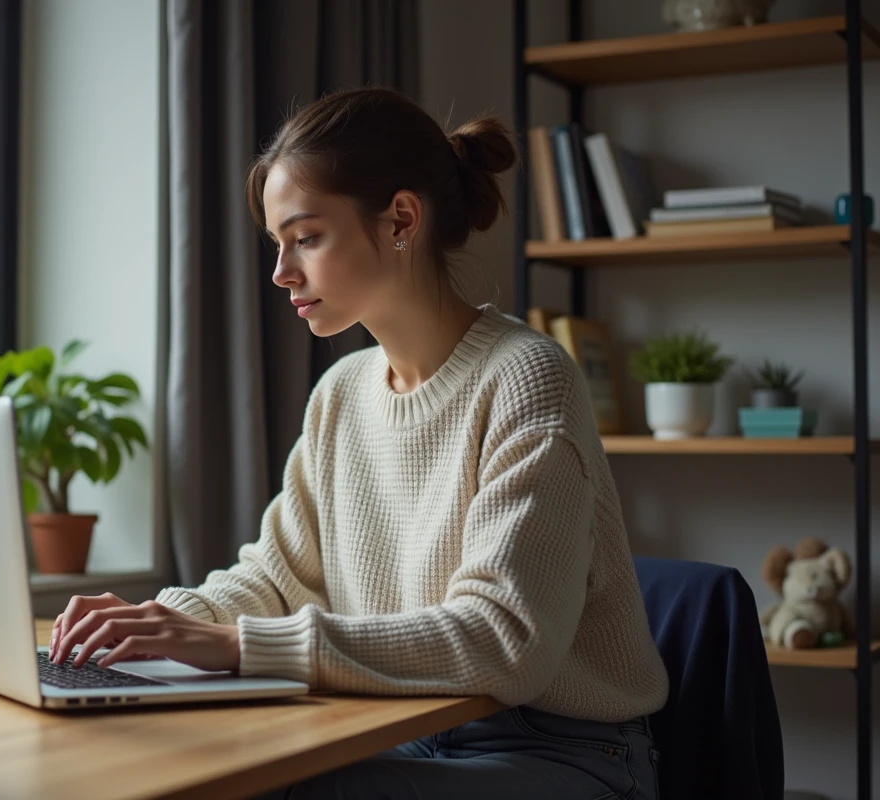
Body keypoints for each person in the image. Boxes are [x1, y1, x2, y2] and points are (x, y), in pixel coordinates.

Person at [48, 87, 669, 799]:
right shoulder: (341, 394)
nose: (281, 272)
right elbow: (279, 582)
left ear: (402, 219)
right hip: (403, 728)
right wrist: (156, 623)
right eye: (277, 244)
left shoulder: (528, 379)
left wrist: (234, 647)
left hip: (560, 752)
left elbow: (505, 641)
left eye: (306, 238)